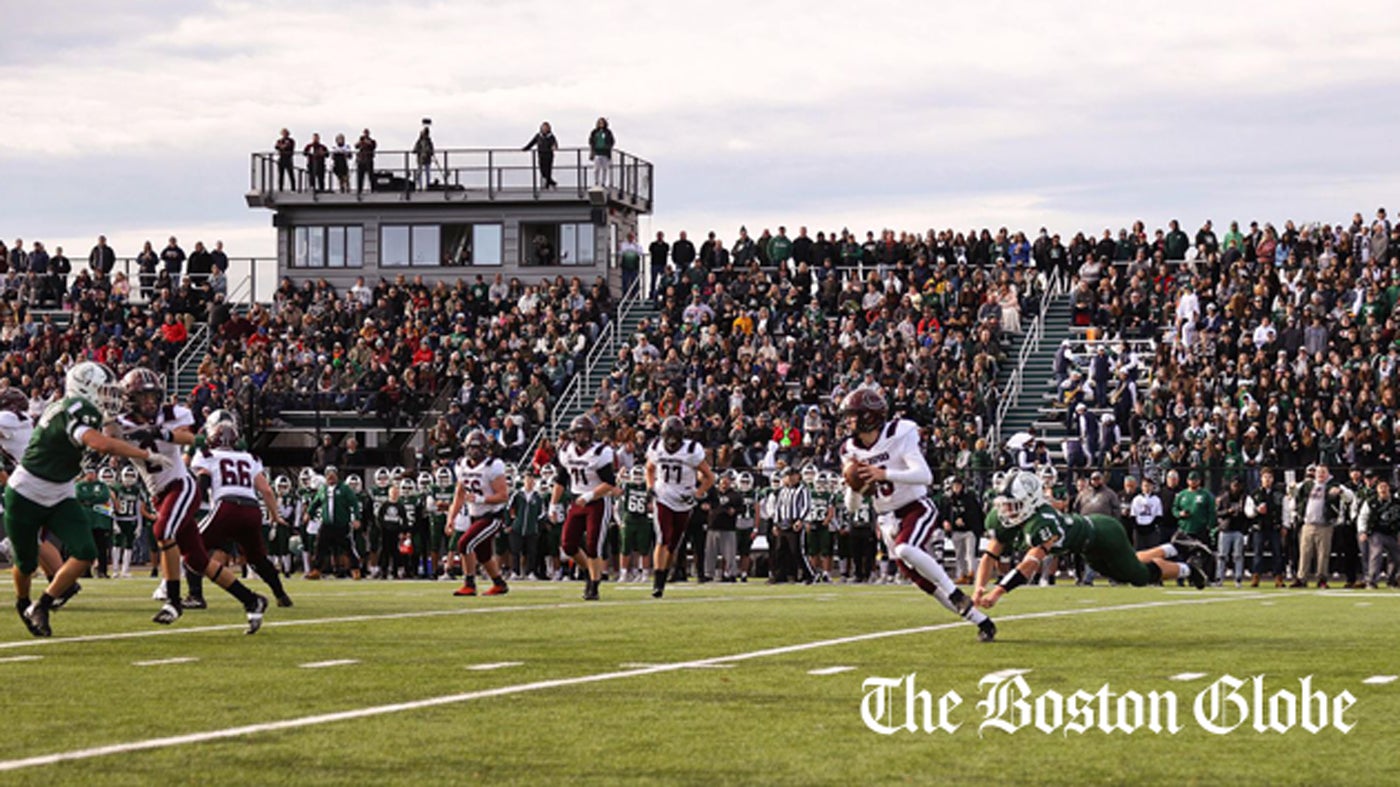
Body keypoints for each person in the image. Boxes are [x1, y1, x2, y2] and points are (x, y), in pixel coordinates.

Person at [6, 362, 174, 637]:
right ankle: (23, 603)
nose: (109, 397)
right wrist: (144, 454)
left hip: (60, 491)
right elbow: (100, 443)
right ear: (84, 388)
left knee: (86, 552)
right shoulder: (75, 409)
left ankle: (43, 605)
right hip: (27, 492)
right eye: (103, 391)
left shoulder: (82, 409)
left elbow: (109, 433)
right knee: (25, 563)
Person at [839, 387, 996, 642]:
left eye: (853, 415)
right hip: (887, 519)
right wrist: (853, 486)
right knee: (926, 585)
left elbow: (925, 476)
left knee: (905, 549)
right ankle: (983, 623)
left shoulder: (899, 433)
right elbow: (853, 508)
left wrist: (884, 474)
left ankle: (955, 593)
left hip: (915, 506)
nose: (848, 421)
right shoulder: (850, 450)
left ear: (869, 416)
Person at [115, 367, 266, 628]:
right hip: (158, 495)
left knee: (162, 531)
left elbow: (193, 438)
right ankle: (252, 599)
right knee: (197, 560)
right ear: (130, 399)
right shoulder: (120, 423)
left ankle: (173, 600)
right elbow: (105, 440)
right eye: (143, 397)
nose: (150, 402)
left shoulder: (171, 414)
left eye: (153, 396)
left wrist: (159, 433)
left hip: (180, 486)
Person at [974, 470, 1210, 613]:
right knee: (1123, 568)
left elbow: (1029, 565)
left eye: (1012, 504)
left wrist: (997, 592)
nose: (1006, 510)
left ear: (1031, 500)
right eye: (1004, 503)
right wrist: (978, 589)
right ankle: (1175, 546)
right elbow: (989, 556)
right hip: (1087, 546)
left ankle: (1187, 569)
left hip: (1104, 534)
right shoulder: (1005, 518)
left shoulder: (1041, 522)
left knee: (1138, 575)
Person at [188, 412, 291, 614]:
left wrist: (188, 510)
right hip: (251, 509)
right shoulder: (249, 457)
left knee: (193, 547)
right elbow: (267, 490)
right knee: (258, 558)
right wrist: (275, 515)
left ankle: (195, 596)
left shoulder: (206, 455)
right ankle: (281, 595)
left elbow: (203, 484)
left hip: (226, 506)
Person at [550, 415, 620, 601]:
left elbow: (609, 483)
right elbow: (560, 481)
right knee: (568, 544)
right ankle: (588, 571)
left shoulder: (600, 452)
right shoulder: (566, 451)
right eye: (580, 432)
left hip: (597, 501)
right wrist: (553, 505)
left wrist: (589, 495)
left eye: (587, 432)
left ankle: (593, 585)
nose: (584, 436)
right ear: (573, 435)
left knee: (593, 545)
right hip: (576, 500)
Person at [646, 416, 714, 598]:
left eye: (675, 436)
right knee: (663, 538)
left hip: (684, 501)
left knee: (673, 544)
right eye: (669, 436)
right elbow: (649, 469)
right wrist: (650, 487)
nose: (671, 441)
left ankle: (663, 574)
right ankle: (657, 583)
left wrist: (697, 493)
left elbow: (709, 476)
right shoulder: (656, 447)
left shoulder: (691, 450)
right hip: (663, 496)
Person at [447, 430, 510, 597]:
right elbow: (459, 495)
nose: (474, 451)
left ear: (485, 448)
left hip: (492, 516)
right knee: (483, 554)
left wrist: (480, 499)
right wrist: (451, 517)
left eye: (478, 447)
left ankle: (469, 584)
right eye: (471, 447)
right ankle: (499, 584)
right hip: (475, 516)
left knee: (464, 544)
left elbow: (503, 496)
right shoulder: (461, 465)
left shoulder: (493, 465)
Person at [1292, 465, 1343, 589]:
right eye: (1319, 472)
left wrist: (1339, 492)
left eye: (1323, 472)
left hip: (1324, 525)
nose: (1320, 474)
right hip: (1308, 524)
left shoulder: (1333, 485)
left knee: (1323, 554)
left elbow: (1348, 496)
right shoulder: (1308, 485)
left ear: (1328, 474)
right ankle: (1301, 578)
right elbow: (1294, 495)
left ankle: (1322, 578)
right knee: (1304, 553)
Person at [310, 466, 361, 579]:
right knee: (319, 547)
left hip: (341, 524)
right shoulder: (323, 489)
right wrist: (309, 513)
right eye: (328, 474)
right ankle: (316, 570)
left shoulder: (344, 488)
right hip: (327, 524)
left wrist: (356, 518)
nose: (330, 477)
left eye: (333, 474)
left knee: (348, 547)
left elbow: (354, 503)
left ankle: (355, 569)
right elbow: (316, 502)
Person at [940, 476, 983, 585]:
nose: (956, 488)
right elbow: (944, 513)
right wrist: (946, 521)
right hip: (956, 531)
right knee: (959, 554)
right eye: (955, 486)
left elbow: (975, 513)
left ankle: (973, 575)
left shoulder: (969, 498)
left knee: (970, 554)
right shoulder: (948, 499)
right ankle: (962, 575)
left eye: (958, 485)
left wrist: (964, 519)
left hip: (969, 530)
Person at [1358, 480, 1400, 589]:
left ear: (1389, 488)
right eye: (1380, 487)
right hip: (1376, 532)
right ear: (1377, 489)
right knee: (1376, 554)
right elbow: (1363, 517)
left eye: (1385, 486)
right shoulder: (1371, 502)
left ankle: (1391, 579)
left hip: (1392, 533)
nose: (1383, 489)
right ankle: (1372, 581)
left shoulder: (1397, 503)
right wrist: (1363, 531)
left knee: (1397, 557)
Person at [76, 467, 116, 579]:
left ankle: (102, 571)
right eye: (88, 473)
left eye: (93, 473)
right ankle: (85, 571)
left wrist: (88, 501)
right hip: (85, 520)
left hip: (100, 521)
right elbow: (79, 496)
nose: (91, 475)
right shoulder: (79, 485)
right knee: (86, 547)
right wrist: (93, 499)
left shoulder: (102, 485)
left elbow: (104, 497)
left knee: (102, 548)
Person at [615, 465, 652, 582]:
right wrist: (620, 476)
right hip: (629, 519)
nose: (637, 477)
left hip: (643, 519)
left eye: (640, 475)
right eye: (635, 475)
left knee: (644, 549)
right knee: (625, 549)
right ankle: (624, 573)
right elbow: (616, 487)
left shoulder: (648, 487)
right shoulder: (627, 485)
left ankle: (645, 574)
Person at [523, 121, 558, 189]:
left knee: (548, 170)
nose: (544, 129)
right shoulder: (538, 136)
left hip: (549, 156)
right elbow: (532, 143)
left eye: (546, 128)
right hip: (541, 155)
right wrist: (525, 149)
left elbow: (555, 144)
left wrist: (554, 147)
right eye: (543, 127)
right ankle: (552, 182)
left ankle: (547, 185)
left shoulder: (551, 136)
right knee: (542, 171)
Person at [588, 117, 614, 189]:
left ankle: (603, 183)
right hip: (597, 152)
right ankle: (596, 182)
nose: (601, 124)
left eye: (602, 123)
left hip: (605, 153)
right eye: (599, 123)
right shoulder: (594, 132)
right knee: (596, 169)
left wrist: (607, 146)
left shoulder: (608, 132)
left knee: (605, 169)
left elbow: (612, 141)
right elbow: (591, 140)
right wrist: (592, 150)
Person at [354, 129, 377, 195]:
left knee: (371, 175)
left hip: (368, 160)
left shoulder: (372, 141)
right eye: (364, 133)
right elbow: (356, 146)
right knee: (360, 176)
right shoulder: (361, 140)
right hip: (361, 160)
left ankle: (373, 189)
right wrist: (360, 142)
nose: (365, 134)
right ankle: (359, 190)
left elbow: (373, 146)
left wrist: (367, 142)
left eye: (366, 133)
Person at [413, 123, 435, 190]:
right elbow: (415, 149)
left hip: (426, 159)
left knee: (427, 173)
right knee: (419, 173)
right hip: (420, 159)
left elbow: (431, 150)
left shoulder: (429, 141)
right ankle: (420, 186)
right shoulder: (420, 141)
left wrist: (428, 152)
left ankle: (427, 185)